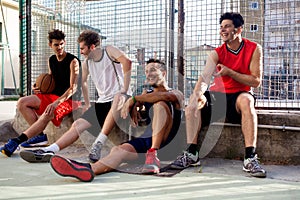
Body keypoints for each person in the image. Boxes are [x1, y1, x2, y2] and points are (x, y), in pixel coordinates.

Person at [49, 58, 184, 182]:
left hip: (167, 147)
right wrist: (133, 106)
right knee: (118, 151)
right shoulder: (145, 95)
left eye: (153, 70)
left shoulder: (176, 93)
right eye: (147, 71)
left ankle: (153, 154)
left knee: (160, 105)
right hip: (146, 143)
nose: (149, 74)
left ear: (164, 73)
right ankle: (88, 169)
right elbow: (143, 102)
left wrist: (134, 99)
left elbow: (166, 97)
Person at [170, 12, 267, 178]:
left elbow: (255, 81)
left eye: (227, 26)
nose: (223, 30)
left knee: (247, 101)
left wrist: (230, 72)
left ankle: (250, 157)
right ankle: (192, 154)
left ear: (239, 29)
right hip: (217, 97)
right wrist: (197, 96)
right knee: (193, 104)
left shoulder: (254, 48)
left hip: (239, 95)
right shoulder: (216, 53)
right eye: (221, 27)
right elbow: (204, 79)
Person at [19, 30, 132, 163]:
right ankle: (50, 150)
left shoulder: (109, 50)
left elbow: (127, 62)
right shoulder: (87, 63)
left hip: (121, 98)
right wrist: (88, 103)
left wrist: (124, 90)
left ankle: (98, 144)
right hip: (103, 102)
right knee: (78, 124)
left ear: (92, 47)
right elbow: (83, 82)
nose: (81, 52)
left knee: (117, 97)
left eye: (82, 48)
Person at [0, 29, 82, 157]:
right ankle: (40, 136)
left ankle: (18, 141)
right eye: (56, 45)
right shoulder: (51, 60)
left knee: (47, 113)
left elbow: (73, 88)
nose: (59, 47)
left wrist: (56, 103)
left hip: (70, 99)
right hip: (52, 96)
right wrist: (39, 87)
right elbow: (51, 80)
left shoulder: (73, 61)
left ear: (64, 43)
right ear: (50, 45)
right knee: (22, 102)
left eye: (61, 44)